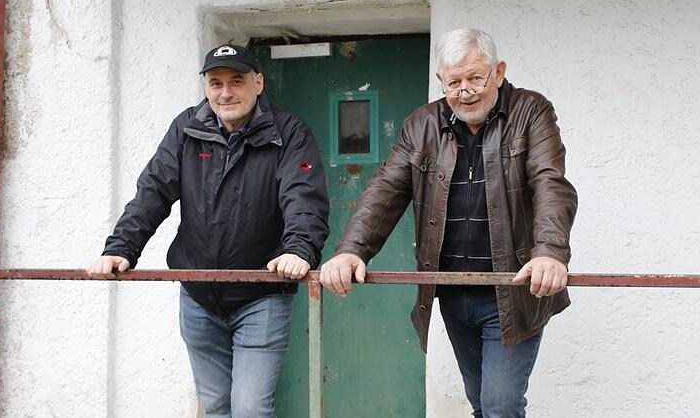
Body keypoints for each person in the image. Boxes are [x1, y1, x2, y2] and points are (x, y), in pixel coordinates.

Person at [319, 28, 577, 417]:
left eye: (476, 78)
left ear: (499, 72)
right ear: (441, 81)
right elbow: (384, 190)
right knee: (481, 405)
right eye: (454, 82)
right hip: (453, 292)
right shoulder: (421, 124)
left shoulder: (531, 111)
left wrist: (550, 253)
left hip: (512, 290)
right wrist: (351, 250)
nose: (465, 91)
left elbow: (550, 183)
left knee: (500, 405)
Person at [87, 44, 329, 418]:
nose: (226, 92)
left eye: (237, 81)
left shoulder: (287, 131)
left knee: (250, 409)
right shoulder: (186, 129)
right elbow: (153, 191)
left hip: (261, 296)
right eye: (216, 83)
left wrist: (299, 251)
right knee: (216, 407)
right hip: (198, 295)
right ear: (206, 87)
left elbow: (304, 197)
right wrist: (120, 248)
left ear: (258, 83)